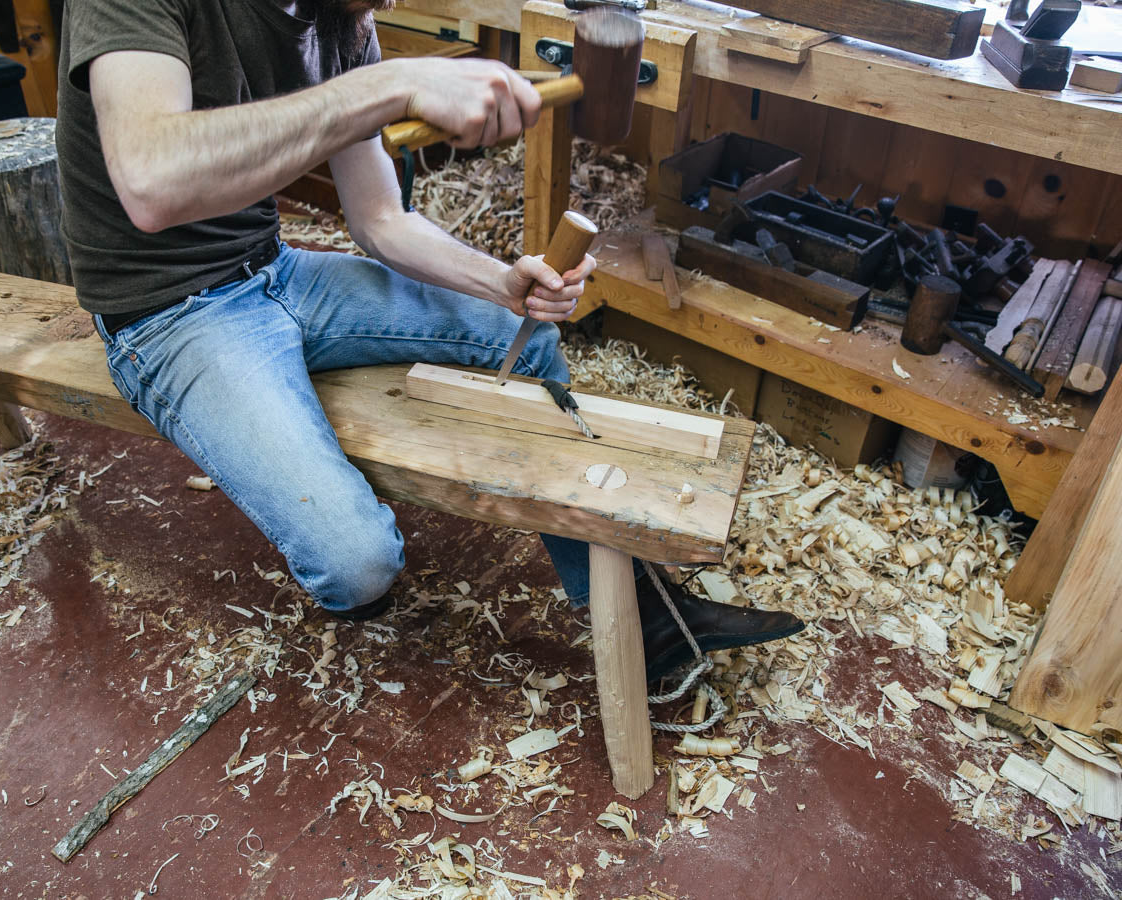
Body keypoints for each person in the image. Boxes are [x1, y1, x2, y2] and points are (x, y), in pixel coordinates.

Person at [55, 0, 803, 682]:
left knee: (526, 339)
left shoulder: (341, 18)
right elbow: (152, 182)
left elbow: (380, 218)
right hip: (168, 311)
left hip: (273, 269)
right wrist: (392, 86)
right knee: (357, 565)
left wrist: (503, 283)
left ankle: (649, 619)